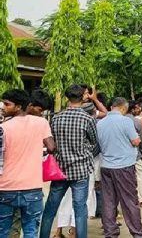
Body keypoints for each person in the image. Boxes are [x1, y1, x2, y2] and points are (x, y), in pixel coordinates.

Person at [40, 85, 98, 238]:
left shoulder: (56, 118)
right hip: (80, 170)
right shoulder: (88, 118)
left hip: (60, 169)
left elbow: (52, 142)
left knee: (50, 209)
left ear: (67, 98)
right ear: (83, 98)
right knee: (80, 209)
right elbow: (94, 141)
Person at [96, 98, 142, 238]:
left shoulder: (100, 123)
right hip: (124, 166)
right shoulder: (126, 121)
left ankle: (110, 232)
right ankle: (138, 233)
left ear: (111, 107)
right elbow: (135, 141)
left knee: (108, 201)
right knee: (129, 200)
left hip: (106, 166)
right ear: (124, 108)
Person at [0, 89, 55, 238]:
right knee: (31, 231)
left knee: (3, 231)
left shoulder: (3, 128)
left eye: (7, 104)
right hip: (32, 188)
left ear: (18, 106)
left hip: (6, 188)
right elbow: (51, 147)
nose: (3, 107)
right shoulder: (41, 122)